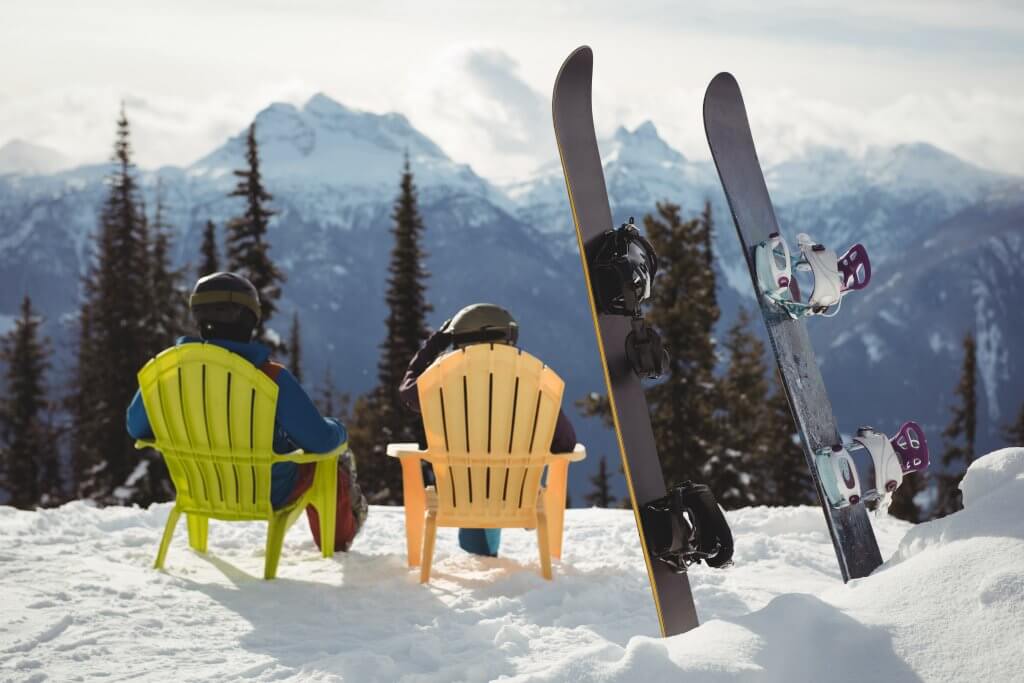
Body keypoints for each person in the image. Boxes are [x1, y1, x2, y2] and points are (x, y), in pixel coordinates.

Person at [126, 272, 367, 551]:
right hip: (268, 490)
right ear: (249, 319)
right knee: (330, 463)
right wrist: (338, 428)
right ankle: (338, 540)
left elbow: (136, 427)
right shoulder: (270, 377)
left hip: (198, 485)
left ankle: (198, 541)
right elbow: (321, 441)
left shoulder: (166, 372)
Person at [399, 303, 577, 558]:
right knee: (494, 470)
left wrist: (434, 345)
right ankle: (488, 545)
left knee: (473, 473)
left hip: (461, 496)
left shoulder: (441, 381)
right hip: (516, 496)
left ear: (458, 339)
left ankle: (477, 547)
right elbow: (566, 443)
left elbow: (407, 392)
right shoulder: (533, 383)